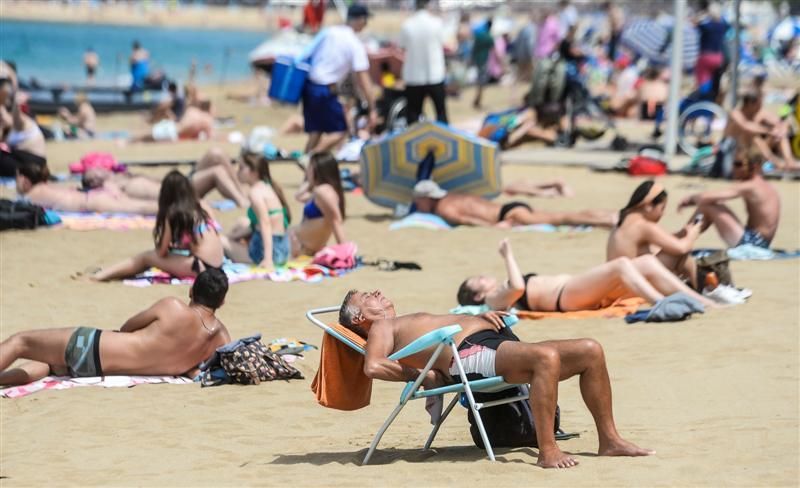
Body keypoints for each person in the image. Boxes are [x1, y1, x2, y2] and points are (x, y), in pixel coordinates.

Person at [337, 288, 655, 469]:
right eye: (367, 297)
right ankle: (548, 450)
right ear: (360, 318)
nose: (376, 293)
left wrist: (479, 317)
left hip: (492, 341)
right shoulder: (381, 328)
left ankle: (610, 440)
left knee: (591, 350)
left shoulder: (404, 321)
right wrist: (421, 374)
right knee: (546, 358)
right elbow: (374, 366)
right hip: (469, 355)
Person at [0, 268, 231, 386]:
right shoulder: (221, 338)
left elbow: (127, 327)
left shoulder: (173, 307)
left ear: (191, 290)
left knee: (20, 342)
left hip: (92, 347)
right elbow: (206, 369)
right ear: (221, 302)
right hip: (100, 371)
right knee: (50, 365)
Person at [457, 238, 718, 312]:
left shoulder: (494, 294)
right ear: (477, 294)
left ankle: (704, 302)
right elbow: (517, 288)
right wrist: (507, 256)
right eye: (477, 280)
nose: (482, 276)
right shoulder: (492, 301)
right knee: (620, 266)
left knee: (647, 262)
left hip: (572, 288)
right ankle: (660, 303)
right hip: (565, 297)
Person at [89, 171, 224, 281]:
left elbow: (161, 252)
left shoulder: (174, 214)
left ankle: (101, 276)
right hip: (218, 265)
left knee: (146, 257)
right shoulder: (203, 206)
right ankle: (103, 273)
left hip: (202, 268)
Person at [302, 4, 377, 154]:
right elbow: (364, 80)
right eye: (365, 20)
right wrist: (372, 108)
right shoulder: (355, 44)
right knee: (340, 131)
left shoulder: (329, 32)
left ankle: (307, 172)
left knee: (316, 131)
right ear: (359, 20)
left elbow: (308, 53)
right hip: (324, 89)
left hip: (309, 85)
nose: (366, 24)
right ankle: (310, 158)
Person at [678, 147, 780, 249]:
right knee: (712, 204)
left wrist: (690, 199)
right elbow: (716, 198)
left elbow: (706, 197)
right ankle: (681, 236)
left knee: (708, 206)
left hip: (752, 244)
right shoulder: (763, 185)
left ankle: (681, 238)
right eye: (733, 163)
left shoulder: (751, 186)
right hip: (759, 242)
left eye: (738, 164)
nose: (733, 168)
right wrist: (695, 200)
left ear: (754, 166)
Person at [607, 180, 702, 289]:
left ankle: (695, 288)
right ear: (648, 206)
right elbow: (681, 248)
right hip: (632, 287)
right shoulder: (643, 226)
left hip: (617, 284)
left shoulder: (624, 219)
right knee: (680, 253)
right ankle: (699, 290)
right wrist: (692, 235)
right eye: (662, 208)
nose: (663, 213)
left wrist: (684, 233)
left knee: (675, 250)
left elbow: (663, 240)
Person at [81, 148, 248, 207]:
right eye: (94, 173)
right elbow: (106, 197)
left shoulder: (120, 175)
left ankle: (241, 193)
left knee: (215, 153)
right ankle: (243, 202)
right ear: (96, 182)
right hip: (178, 192)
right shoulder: (112, 186)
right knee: (217, 171)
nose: (99, 169)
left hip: (177, 181)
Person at [412, 179, 615, 228]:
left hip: (508, 215)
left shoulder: (443, 208)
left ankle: (607, 219)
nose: (416, 205)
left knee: (562, 218)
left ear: (426, 198)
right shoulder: (452, 196)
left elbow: (467, 219)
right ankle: (608, 215)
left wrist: (494, 226)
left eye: (417, 201)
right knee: (560, 214)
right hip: (510, 206)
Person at [221, 152, 292, 269]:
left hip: (268, 253)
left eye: (242, 168)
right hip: (282, 248)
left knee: (221, 241)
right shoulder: (267, 186)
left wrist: (267, 259)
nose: (237, 171)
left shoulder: (255, 193)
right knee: (241, 222)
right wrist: (233, 236)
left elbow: (265, 224)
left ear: (254, 172)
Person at [16, 157, 157, 215]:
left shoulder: (32, 194)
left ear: (24, 180)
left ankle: (173, 211)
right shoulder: (47, 187)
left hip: (92, 202)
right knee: (142, 205)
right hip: (95, 196)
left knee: (141, 208)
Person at [398, 0, 448, 125]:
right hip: (435, 74)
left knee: (413, 115)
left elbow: (402, 47)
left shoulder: (407, 24)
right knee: (441, 113)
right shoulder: (437, 23)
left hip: (414, 76)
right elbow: (445, 43)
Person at [721, 91, 799, 171]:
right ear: (750, 104)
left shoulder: (760, 113)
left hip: (754, 150)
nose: (760, 106)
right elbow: (746, 126)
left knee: (779, 136)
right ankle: (778, 163)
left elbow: (779, 122)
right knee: (754, 137)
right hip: (735, 148)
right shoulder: (736, 114)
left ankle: (789, 161)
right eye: (759, 104)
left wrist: (781, 129)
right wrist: (769, 131)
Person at [290, 152, 347, 256]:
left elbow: (336, 221)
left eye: (310, 166)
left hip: (301, 246)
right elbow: (299, 196)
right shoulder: (322, 191)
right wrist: (310, 181)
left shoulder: (323, 192)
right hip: (302, 245)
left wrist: (345, 252)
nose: (307, 169)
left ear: (317, 169)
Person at [693, 2, 728, 90]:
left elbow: (695, 22)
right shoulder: (723, 26)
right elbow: (726, 22)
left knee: (703, 79)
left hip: (705, 56)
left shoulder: (706, 26)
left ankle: (704, 96)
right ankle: (713, 95)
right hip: (718, 57)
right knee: (715, 80)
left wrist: (704, 14)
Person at [471, 19, 495, 110]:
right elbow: (494, 51)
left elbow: (473, 48)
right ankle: (477, 101)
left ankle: (477, 100)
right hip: (483, 61)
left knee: (480, 82)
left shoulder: (479, 35)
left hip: (477, 61)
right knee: (481, 83)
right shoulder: (489, 37)